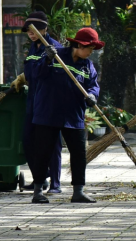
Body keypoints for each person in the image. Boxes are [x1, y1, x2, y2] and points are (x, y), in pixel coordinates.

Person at [29, 27, 103, 204]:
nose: (91, 52)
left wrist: (92, 95)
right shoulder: (55, 55)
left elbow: (93, 85)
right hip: (48, 112)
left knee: (79, 154)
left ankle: (79, 191)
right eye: (90, 48)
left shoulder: (87, 65)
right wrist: (47, 59)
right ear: (79, 45)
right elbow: (36, 74)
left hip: (73, 115)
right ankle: (38, 191)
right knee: (43, 152)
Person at [21, 12, 63, 193]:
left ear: (45, 29)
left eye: (35, 29)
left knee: (52, 143)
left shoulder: (55, 48)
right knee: (28, 140)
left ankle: (55, 183)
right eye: (29, 30)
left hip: (49, 101)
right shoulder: (33, 48)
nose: (31, 33)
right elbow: (31, 72)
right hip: (33, 100)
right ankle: (40, 177)